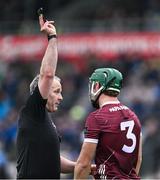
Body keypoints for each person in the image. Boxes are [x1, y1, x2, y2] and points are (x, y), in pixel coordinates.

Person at [16, 13, 75, 179]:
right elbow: (48, 74)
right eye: (56, 91)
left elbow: (53, 161)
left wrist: (82, 166)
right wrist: (52, 37)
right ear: (40, 91)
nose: (61, 97)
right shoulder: (32, 111)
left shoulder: (43, 120)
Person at [74, 68, 142, 179]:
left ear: (97, 86)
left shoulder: (97, 117)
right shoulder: (133, 116)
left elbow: (83, 164)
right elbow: (138, 159)